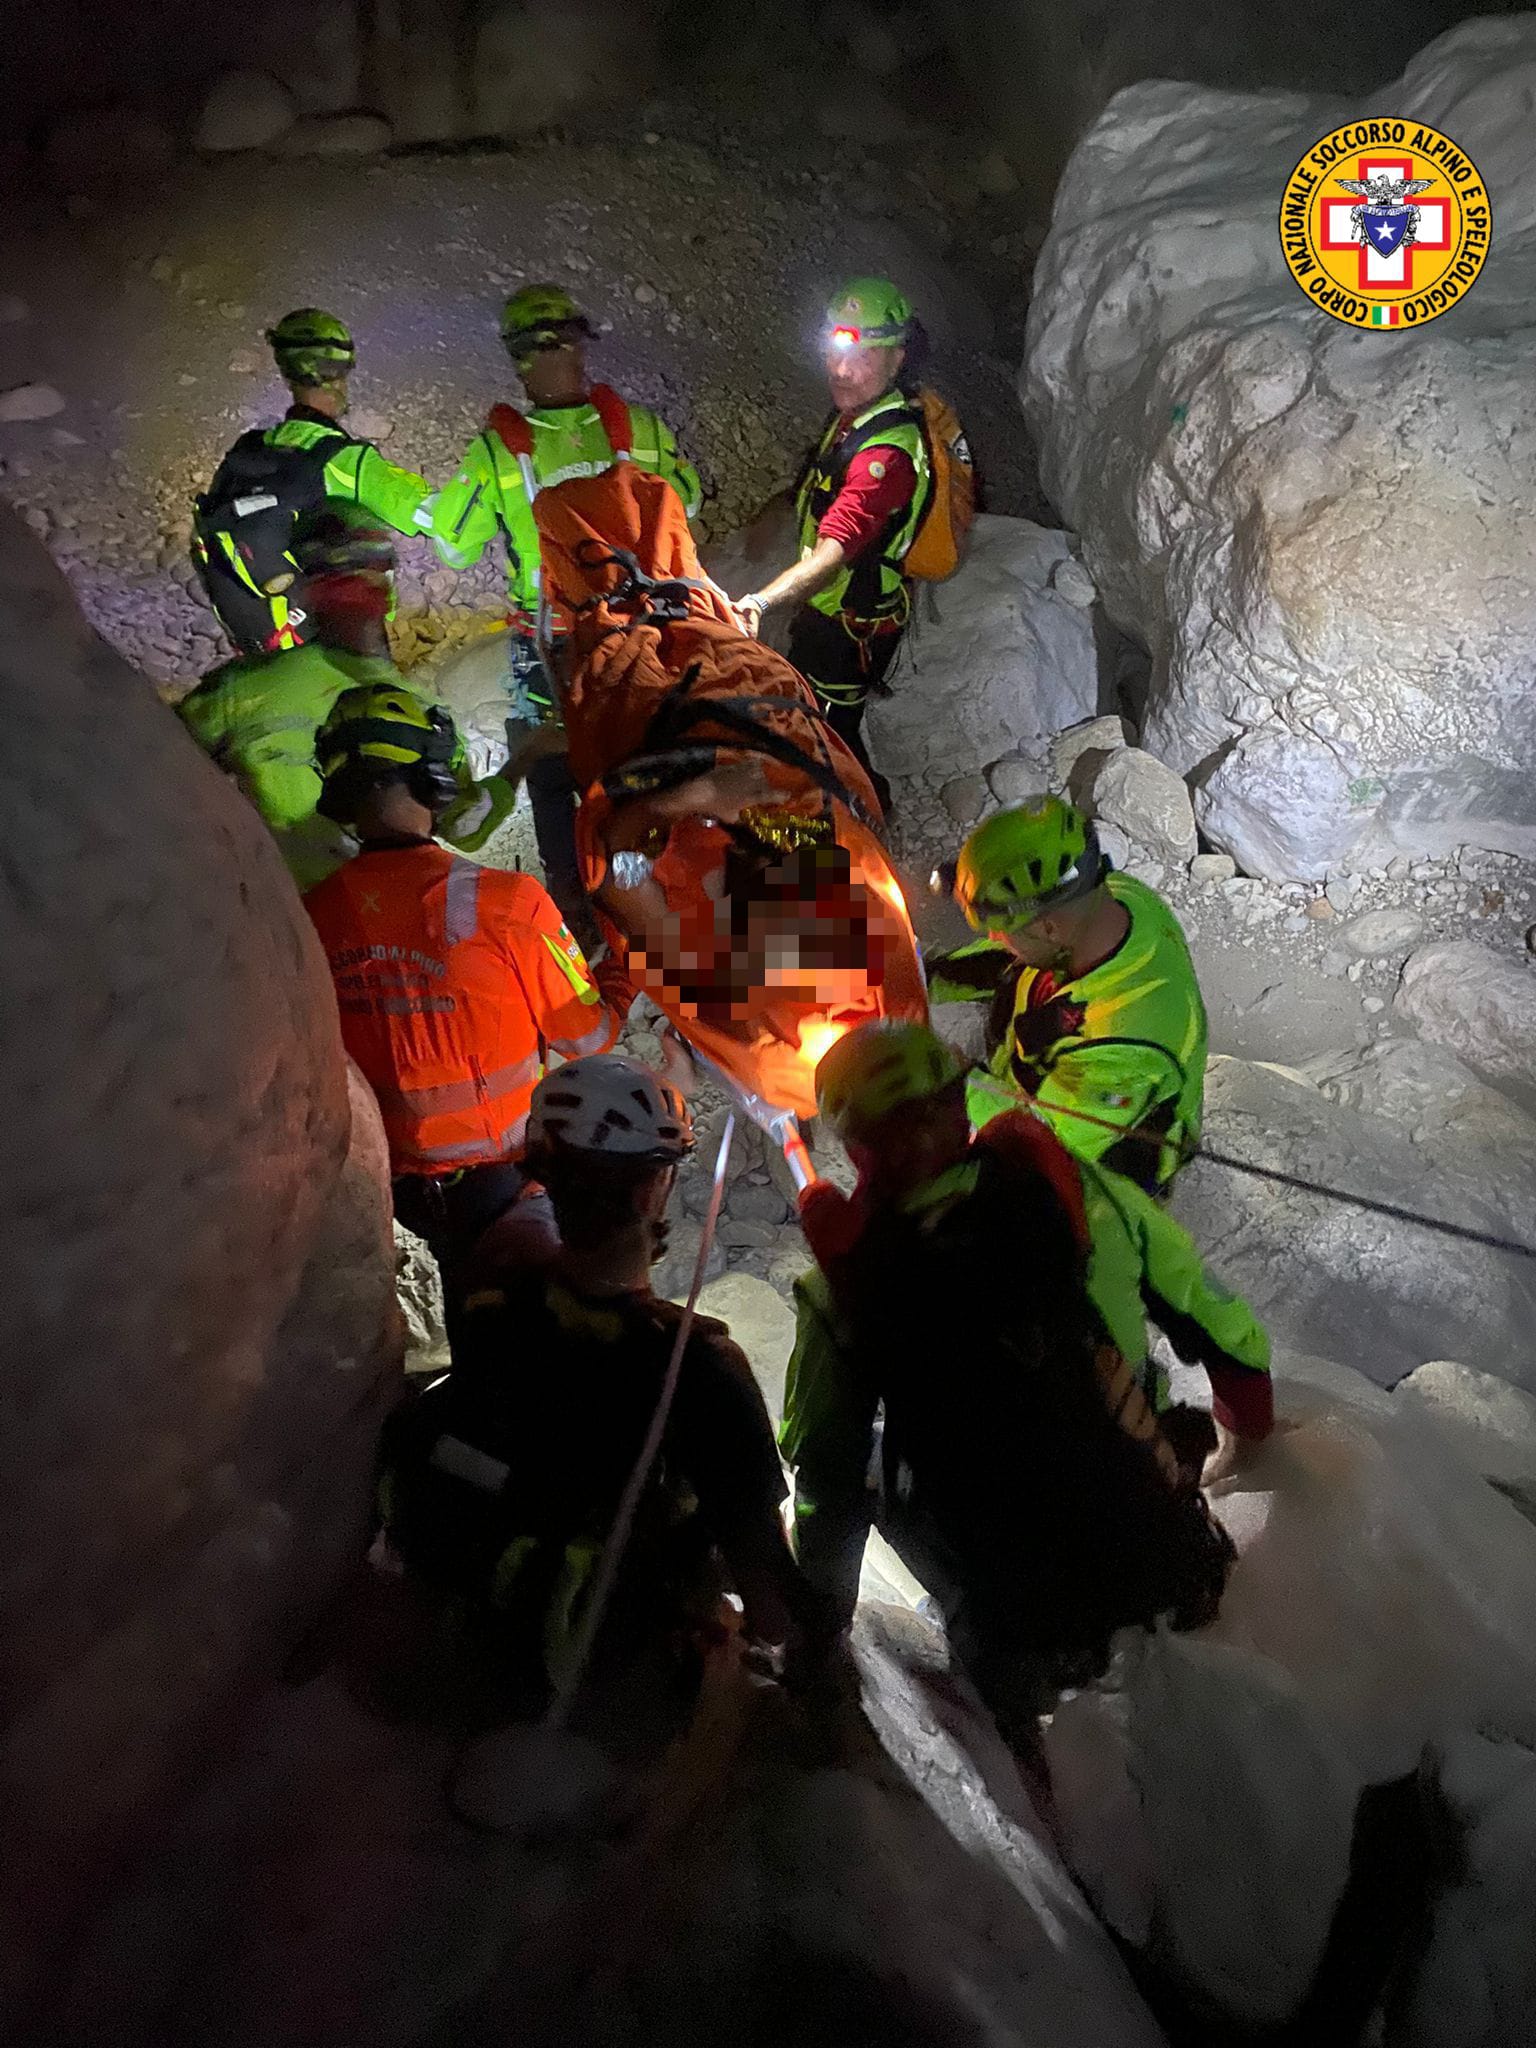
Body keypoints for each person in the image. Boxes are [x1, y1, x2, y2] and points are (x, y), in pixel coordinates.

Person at [780, 1020, 1268, 1730]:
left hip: (1020, 1614)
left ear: (857, 1147)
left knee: (881, 1469)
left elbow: (826, 1476)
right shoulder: (1076, 1197)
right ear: (959, 1107)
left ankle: (1009, 1695)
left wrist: (819, 1631)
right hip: (1157, 1545)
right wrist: (1250, 1431)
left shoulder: (843, 1289)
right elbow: (1218, 1321)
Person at [377, 1054, 814, 1699]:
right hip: (606, 1676)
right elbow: (770, 1607)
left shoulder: (491, 1308)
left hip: (482, 1625)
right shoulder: (697, 1369)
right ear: (652, 1189)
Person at [304, 685, 620, 1296]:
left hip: (401, 1191)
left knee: (473, 1305)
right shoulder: (505, 901)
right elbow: (589, 1038)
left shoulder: (311, 913)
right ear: (433, 775)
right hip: (506, 1177)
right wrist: (624, 973)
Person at [428, 285, 702, 941]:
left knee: (551, 774)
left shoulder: (498, 451)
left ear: (518, 360)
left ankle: (577, 916)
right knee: (648, 758)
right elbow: (687, 501)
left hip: (550, 639)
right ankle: (657, 895)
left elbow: (452, 544)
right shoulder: (640, 431)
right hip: (643, 633)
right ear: (581, 347)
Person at [179, 512, 516, 890]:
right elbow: (468, 827)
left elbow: (157, 769)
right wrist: (527, 758)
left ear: (309, 589)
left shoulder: (243, 690)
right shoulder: (423, 712)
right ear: (386, 588)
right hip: (375, 913)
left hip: (272, 909)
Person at [929, 794, 1208, 1193]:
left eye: (1001, 929)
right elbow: (1010, 958)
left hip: (1096, 1156)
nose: (993, 937)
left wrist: (955, 1082)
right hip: (1053, 1060)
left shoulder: (1126, 1045)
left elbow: (1043, 1140)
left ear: (1048, 928)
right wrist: (923, 977)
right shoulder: (1108, 898)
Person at [735, 278, 935, 814]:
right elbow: (822, 481)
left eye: (861, 356)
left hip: (851, 625)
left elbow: (832, 554)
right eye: (834, 352)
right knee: (823, 727)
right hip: (830, 611)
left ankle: (856, 822)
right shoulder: (857, 417)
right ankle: (845, 812)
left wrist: (759, 603)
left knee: (828, 737)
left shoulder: (886, 457)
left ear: (896, 359)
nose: (842, 371)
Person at [192, 310, 435, 655]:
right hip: (336, 653)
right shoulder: (346, 461)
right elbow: (441, 518)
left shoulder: (247, 450)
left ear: (287, 372)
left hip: (259, 648)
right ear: (339, 375)